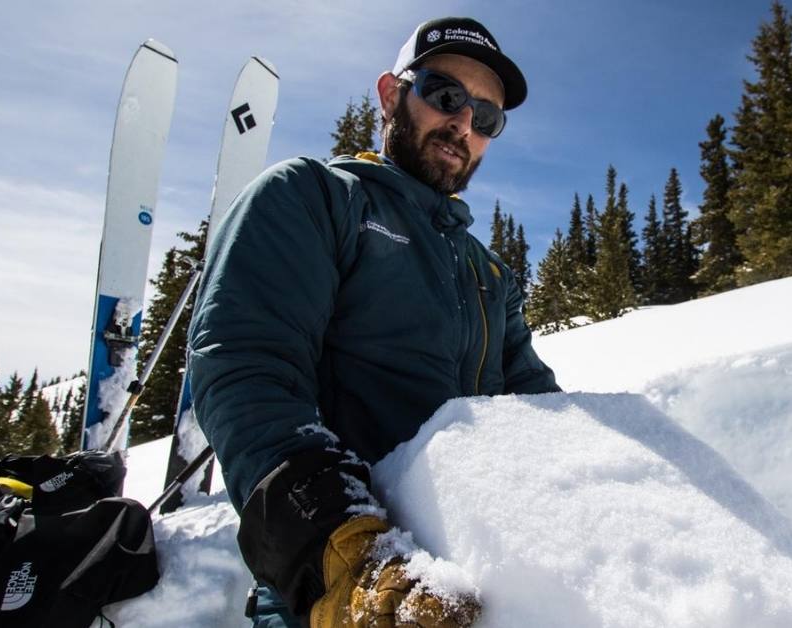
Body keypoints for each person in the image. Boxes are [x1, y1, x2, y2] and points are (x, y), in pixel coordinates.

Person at [187, 16, 560, 628]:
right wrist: (350, 554)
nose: (464, 123)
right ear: (391, 94)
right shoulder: (314, 198)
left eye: (487, 118)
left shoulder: (488, 273)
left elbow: (538, 408)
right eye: (445, 95)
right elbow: (248, 371)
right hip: (337, 584)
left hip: (493, 584)